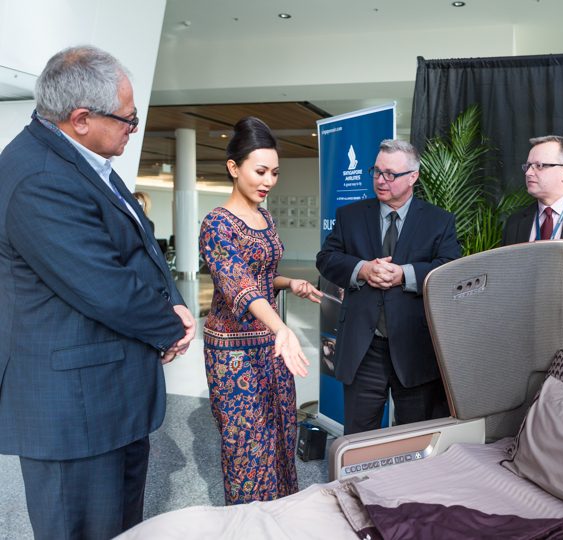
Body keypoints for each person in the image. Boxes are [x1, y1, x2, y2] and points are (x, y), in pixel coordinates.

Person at [0, 46, 196, 539]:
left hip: (106, 394)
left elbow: (141, 244)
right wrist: (171, 325)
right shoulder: (39, 177)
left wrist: (171, 302)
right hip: (74, 410)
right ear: (82, 118)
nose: (133, 128)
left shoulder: (80, 160)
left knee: (120, 529)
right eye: (128, 120)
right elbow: (103, 285)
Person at [199, 116, 323, 505]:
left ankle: (280, 517)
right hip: (233, 353)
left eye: (274, 172)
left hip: (270, 346)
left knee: (281, 433)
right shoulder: (216, 224)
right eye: (260, 171)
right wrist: (282, 328)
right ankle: (249, 524)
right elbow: (237, 281)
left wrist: (289, 284)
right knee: (247, 446)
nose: (268, 180)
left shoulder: (264, 217)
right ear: (234, 168)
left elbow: (262, 275)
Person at [316, 139, 461, 435]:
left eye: (390, 174)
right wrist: (363, 269)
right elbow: (326, 259)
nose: (381, 180)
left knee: (412, 437)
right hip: (363, 348)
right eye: (377, 171)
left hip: (414, 348)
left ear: (413, 177)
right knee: (358, 435)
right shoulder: (350, 216)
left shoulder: (439, 221)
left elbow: (450, 270)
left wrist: (405, 275)